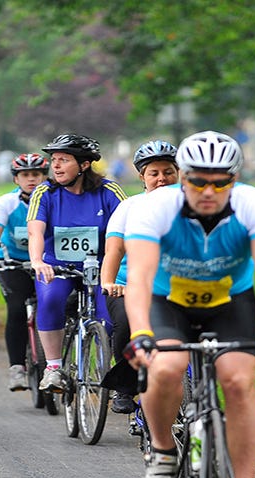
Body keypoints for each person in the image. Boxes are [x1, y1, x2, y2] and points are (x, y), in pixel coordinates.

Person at [122, 130, 255, 478]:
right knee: (166, 367)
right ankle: (162, 450)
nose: (208, 190)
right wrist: (140, 331)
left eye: (221, 181)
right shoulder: (155, 208)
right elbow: (139, 277)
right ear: (183, 176)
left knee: (239, 382)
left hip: (229, 303)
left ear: (235, 179)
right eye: (197, 181)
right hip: (169, 301)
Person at [28, 133, 125, 393]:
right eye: (54, 160)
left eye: (64, 160)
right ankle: (54, 368)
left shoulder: (108, 190)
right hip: (57, 266)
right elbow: (35, 231)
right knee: (49, 300)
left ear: (84, 165)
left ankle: (117, 379)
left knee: (111, 318)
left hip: (101, 267)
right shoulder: (44, 192)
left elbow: (129, 226)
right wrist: (37, 261)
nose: (55, 166)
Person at [101, 140, 179, 414]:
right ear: (142, 177)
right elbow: (114, 249)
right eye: (154, 173)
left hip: (177, 286)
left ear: (179, 173)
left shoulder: (191, 206)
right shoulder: (129, 207)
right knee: (125, 322)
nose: (161, 179)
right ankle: (124, 387)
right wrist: (109, 282)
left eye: (168, 171)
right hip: (129, 286)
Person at [0, 153, 50, 391]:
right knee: (17, 309)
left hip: (47, 263)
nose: (31, 180)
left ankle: (56, 364)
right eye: (25, 175)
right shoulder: (6, 202)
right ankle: (17, 367)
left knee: (53, 308)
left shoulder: (53, 198)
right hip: (14, 263)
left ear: (45, 177)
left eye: (36, 175)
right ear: (16, 179)